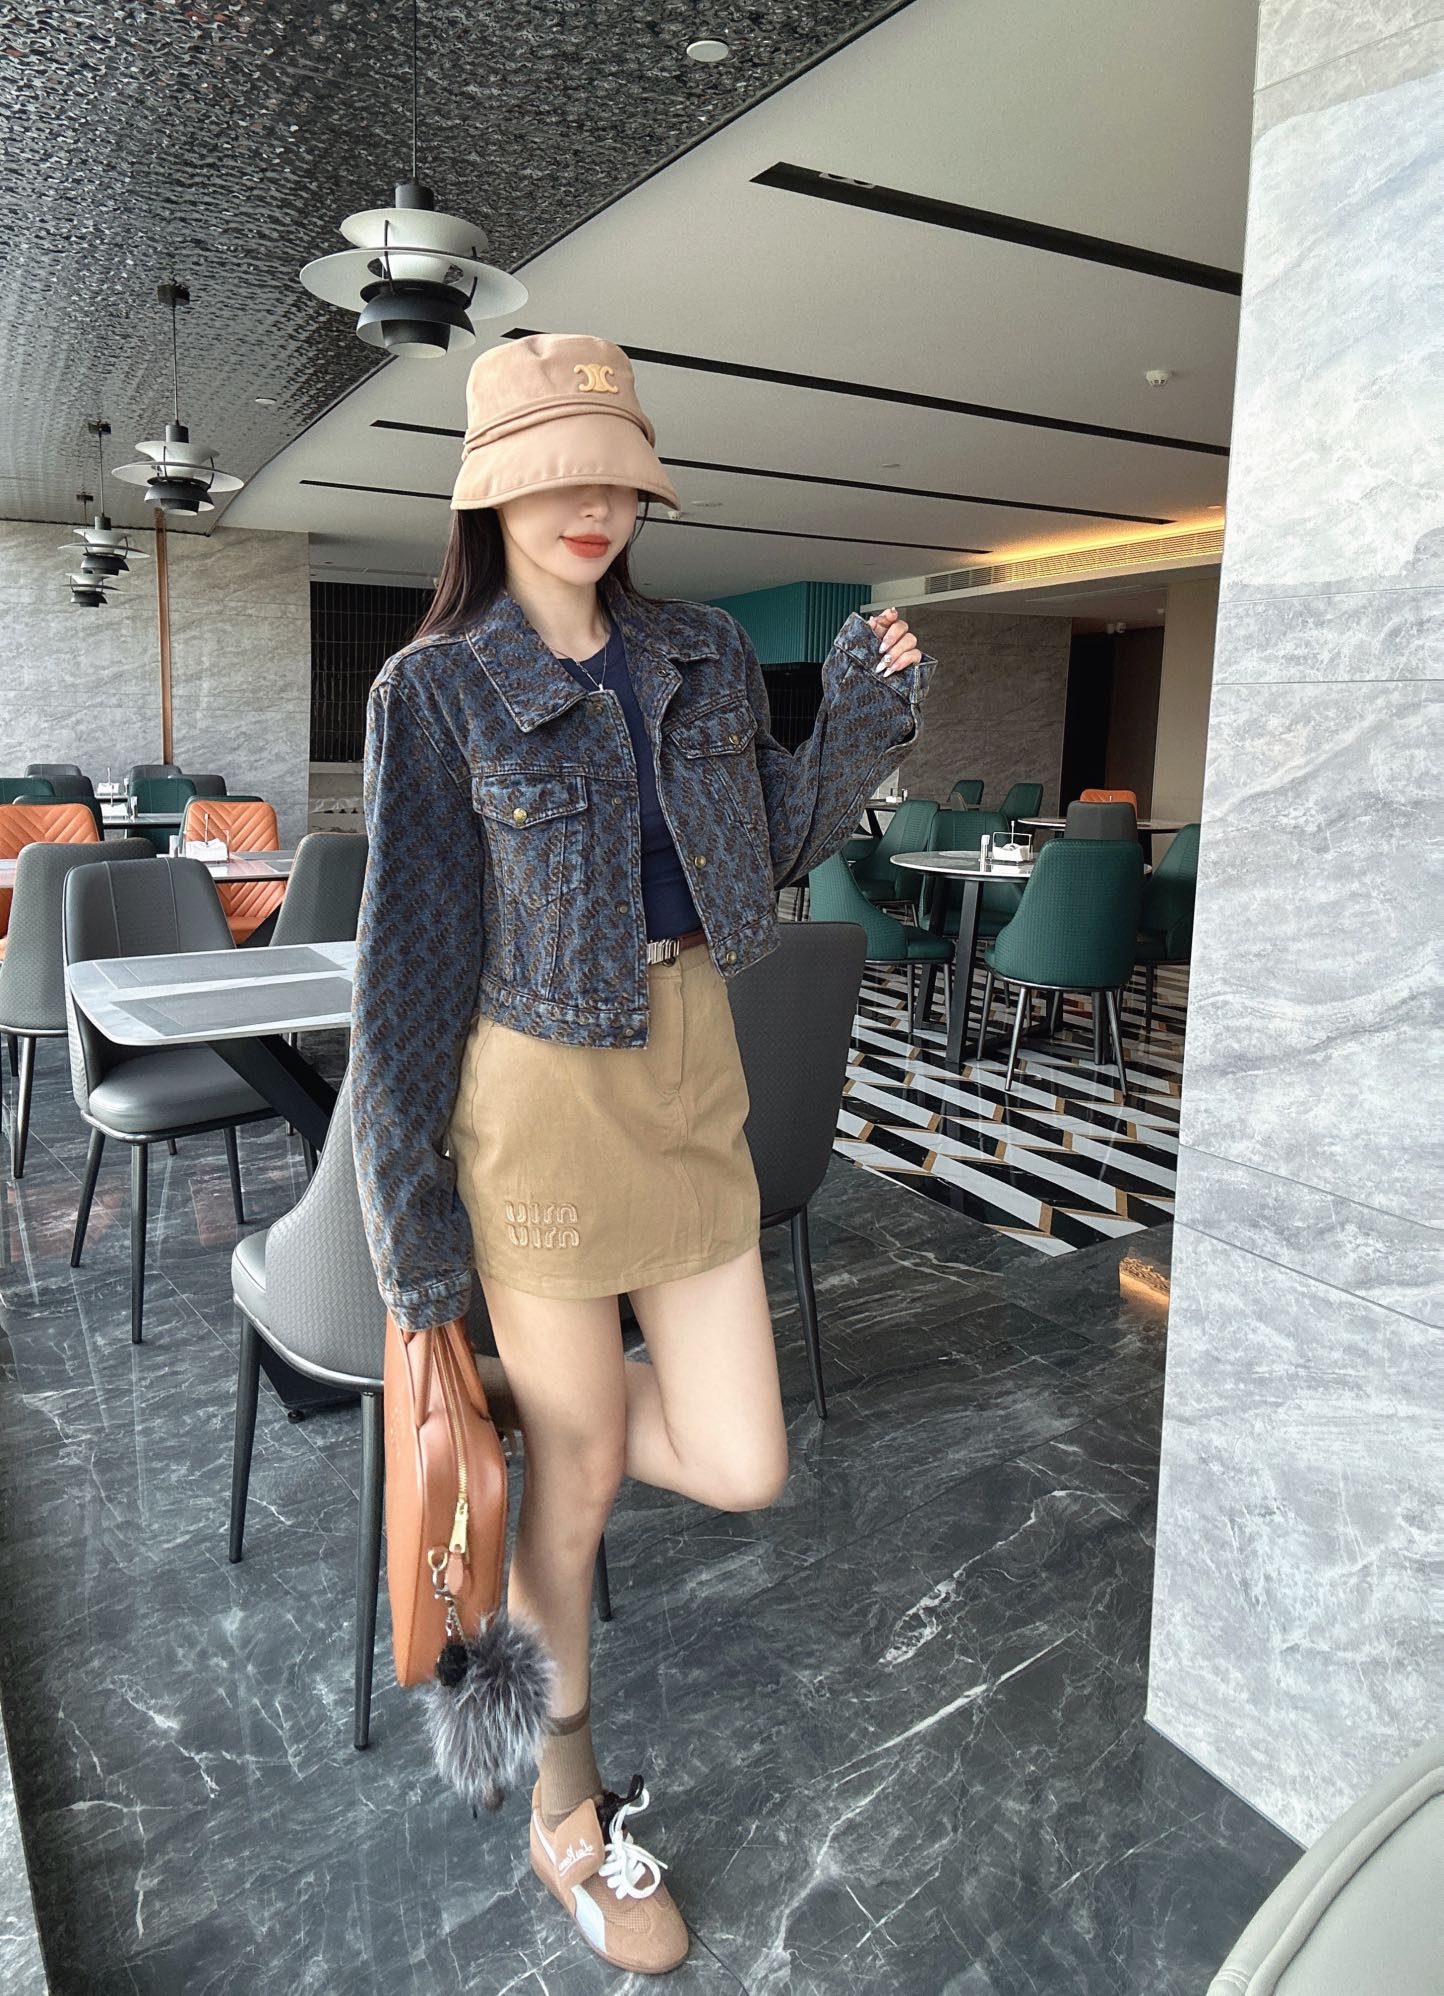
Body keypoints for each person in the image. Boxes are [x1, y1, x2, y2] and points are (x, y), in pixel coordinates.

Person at [350, 331, 937, 1976]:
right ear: (489, 493)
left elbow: (769, 847)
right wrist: (416, 1252)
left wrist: (861, 726)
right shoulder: (437, 690)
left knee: (744, 1459)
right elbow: (404, 979)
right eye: (554, 473)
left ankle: (552, 1419)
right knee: (586, 1483)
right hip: (535, 1104)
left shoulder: (702, 652)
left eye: (614, 472)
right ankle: (569, 1817)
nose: (590, 502)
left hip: (691, 1081)